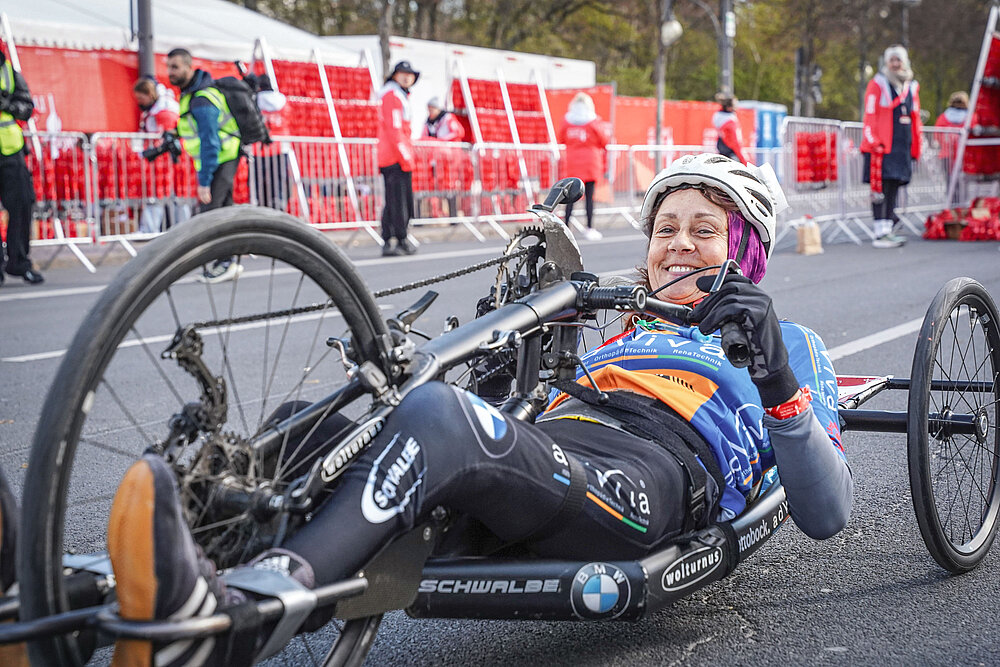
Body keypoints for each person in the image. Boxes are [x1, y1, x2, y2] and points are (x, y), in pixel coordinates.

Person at [81, 152, 851, 666]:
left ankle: (245, 613)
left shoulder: (791, 342)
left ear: (747, 249)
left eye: (703, 230)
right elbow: (511, 413)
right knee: (307, 429)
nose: (676, 245)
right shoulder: (619, 327)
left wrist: (776, 375)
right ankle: (85, 598)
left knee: (443, 420)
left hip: (650, 475)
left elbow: (827, 511)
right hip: (552, 452)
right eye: (665, 230)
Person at [167, 48, 243, 282]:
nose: (170, 72)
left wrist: (204, 181)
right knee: (223, 211)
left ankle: (225, 262)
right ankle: (228, 261)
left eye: (175, 67)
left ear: (189, 68)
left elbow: (210, 142)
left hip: (220, 158)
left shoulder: (201, 97)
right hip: (222, 156)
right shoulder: (192, 93)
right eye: (169, 66)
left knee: (211, 215)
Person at [861, 45, 922, 249]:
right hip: (880, 147)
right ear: (886, 63)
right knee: (881, 188)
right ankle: (880, 232)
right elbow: (869, 115)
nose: (895, 64)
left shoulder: (911, 86)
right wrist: (873, 141)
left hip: (901, 146)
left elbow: (916, 118)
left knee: (894, 187)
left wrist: (917, 146)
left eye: (899, 60)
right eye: (892, 60)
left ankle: (888, 229)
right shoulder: (877, 84)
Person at [0, 49, 43, 285]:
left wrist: (9, 105)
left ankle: (18, 261)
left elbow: (27, 107)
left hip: (10, 150)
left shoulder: (8, 71)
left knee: (22, 204)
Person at [378, 60, 420, 257]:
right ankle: (399, 239)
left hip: (394, 155)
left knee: (394, 200)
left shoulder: (397, 95)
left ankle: (391, 239)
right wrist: (405, 156)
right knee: (399, 201)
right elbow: (395, 131)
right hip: (394, 157)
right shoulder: (393, 96)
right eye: (402, 73)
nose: (407, 77)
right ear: (395, 75)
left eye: (409, 74)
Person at [557, 92, 610, 241]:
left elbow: (561, 138)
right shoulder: (593, 121)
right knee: (589, 197)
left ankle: (565, 228)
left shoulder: (567, 121)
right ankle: (589, 227)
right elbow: (604, 139)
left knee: (570, 197)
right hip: (590, 164)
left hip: (572, 164)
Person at [133, 77, 182, 234]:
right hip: (160, 160)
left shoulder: (164, 108)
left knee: (166, 195)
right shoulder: (156, 108)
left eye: (142, 98)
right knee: (158, 195)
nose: (140, 102)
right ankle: (152, 228)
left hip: (166, 159)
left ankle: (153, 229)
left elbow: (167, 133)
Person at [935, 91, 969, 207]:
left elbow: (937, 136)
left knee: (951, 183)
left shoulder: (943, 118)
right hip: (965, 156)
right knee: (964, 184)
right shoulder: (969, 117)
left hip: (946, 155)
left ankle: (952, 207)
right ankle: (963, 206)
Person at [713, 93, 747, 165]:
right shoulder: (731, 122)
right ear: (729, 107)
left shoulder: (719, 118)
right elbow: (735, 142)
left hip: (722, 151)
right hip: (732, 154)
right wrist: (744, 161)